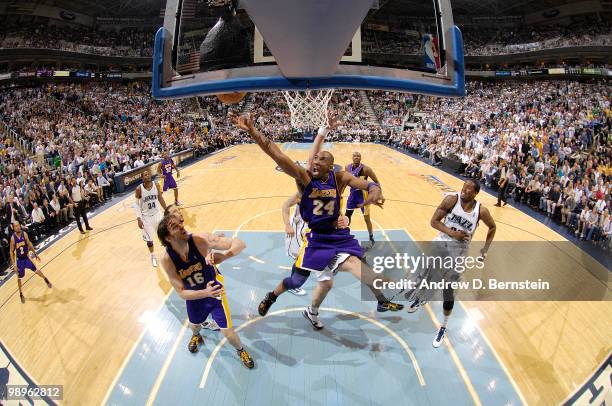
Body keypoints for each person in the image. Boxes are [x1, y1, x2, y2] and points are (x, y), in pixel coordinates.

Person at [233, 114, 403, 331]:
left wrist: (374, 190)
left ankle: (381, 297)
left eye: (322, 159)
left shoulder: (339, 178)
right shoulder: (304, 178)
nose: (315, 160)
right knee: (295, 281)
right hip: (316, 239)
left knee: (355, 263)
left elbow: (365, 184)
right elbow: (276, 154)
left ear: (331, 166)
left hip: (337, 236)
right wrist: (253, 131)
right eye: (315, 158)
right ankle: (272, 295)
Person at [407, 180, 496, 348]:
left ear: (475, 193)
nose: (464, 190)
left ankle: (443, 326)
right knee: (428, 274)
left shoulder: (481, 211)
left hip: (460, 251)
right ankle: (422, 297)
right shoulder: (451, 200)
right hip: (442, 241)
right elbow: (434, 221)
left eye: (468, 189)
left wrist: (485, 249)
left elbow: (492, 227)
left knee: (448, 290)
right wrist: (452, 233)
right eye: (464, 187)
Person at [157, 214, 254, 368]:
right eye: (174, 226)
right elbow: (181, 292)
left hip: (214, 290)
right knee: (195, 325)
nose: (182, 226)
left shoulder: (199, 240)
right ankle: (196, 336)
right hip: (195, 296)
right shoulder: (167, 259)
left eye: (179, 223)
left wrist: (223, 257)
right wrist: (205, 293)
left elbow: (239, 243)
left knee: (227, 331)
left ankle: (240, 350)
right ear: (168, 238)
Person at [10, 221, 52, 304]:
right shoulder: (12, 238)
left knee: (36, 270)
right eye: (16, 226)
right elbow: (11, 252)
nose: (18, 227)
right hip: (20, 261)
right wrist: (14, 264)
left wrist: (35, 254)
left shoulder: (24, 234)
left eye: (18, 225)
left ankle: (45, 278)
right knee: (19, 278)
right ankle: (21, 293)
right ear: (14, 228)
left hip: (26, 257)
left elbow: (29, 244)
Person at [345, 152, 380, 246]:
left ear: (361, 158)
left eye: (358, 156)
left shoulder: (366, 169)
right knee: (347, 216)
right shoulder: (347, 167)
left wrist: (377, 193)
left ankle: (371, 236)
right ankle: (344, 236)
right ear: (352, 157)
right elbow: (346, 181)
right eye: (354, 156)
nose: (356, 157)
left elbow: (376, 181)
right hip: (352, 195)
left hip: (363, 196)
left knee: (366, 218)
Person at [134, 170, 167, 267]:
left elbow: (160, 198)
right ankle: (153, 256)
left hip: (157, 214)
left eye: (148, 174)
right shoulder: (139, 189)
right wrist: (139, 219)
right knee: (149, 240)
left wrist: (166, 210)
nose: (147, 176)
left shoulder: (156, 184)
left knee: (163, 235)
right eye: (145, 175)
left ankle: (168, 254)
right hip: (146, 218)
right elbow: (136, 205)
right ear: (142, 178)